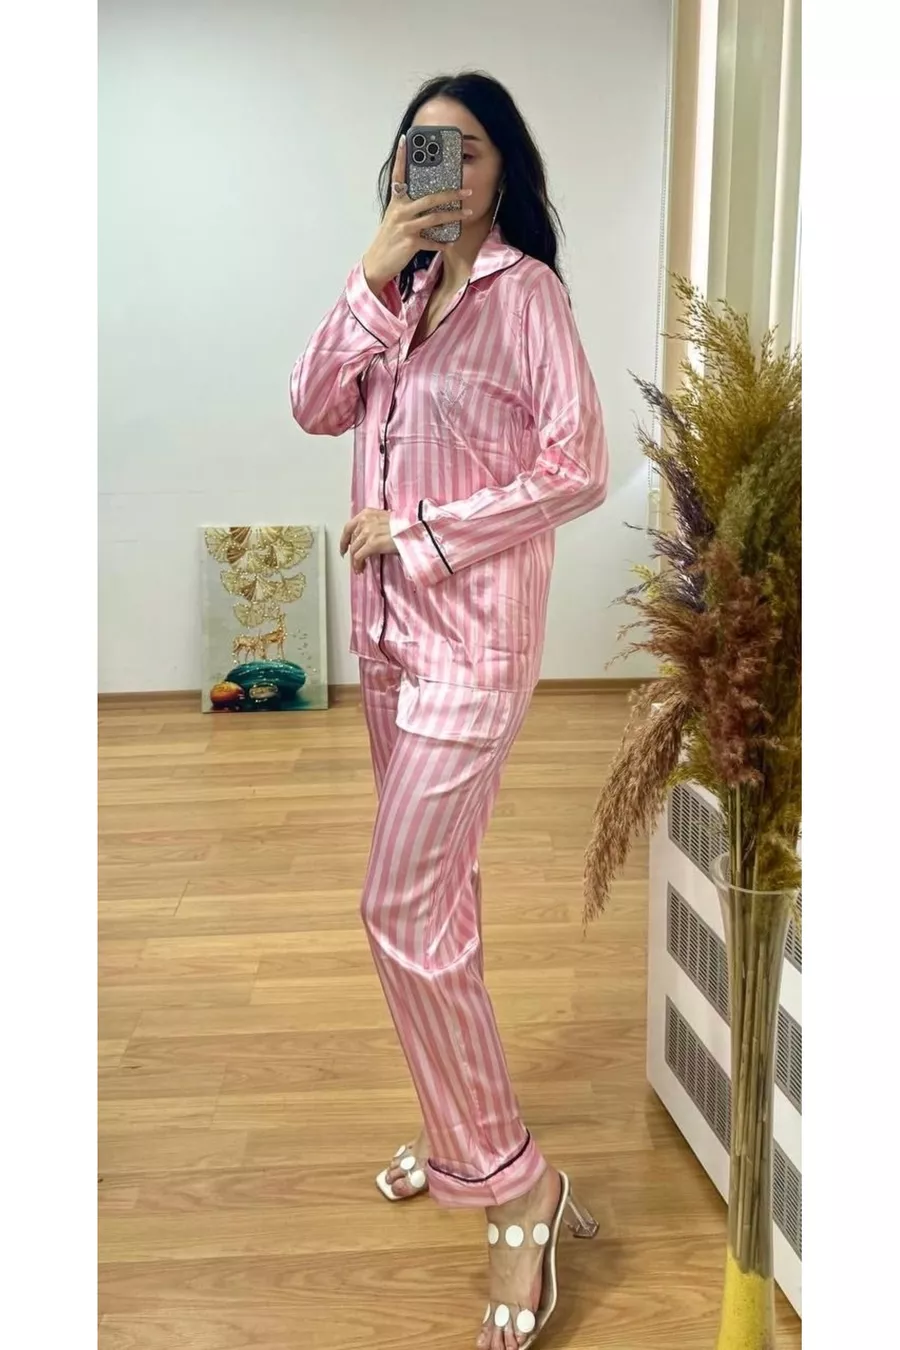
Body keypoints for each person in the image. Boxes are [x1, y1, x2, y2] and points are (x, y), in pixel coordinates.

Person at [291, 70, 609, 1350]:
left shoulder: (526, 297)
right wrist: (370, 277)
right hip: (384, 645)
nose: (441, 167)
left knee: (400, 908)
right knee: (443, 901)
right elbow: (313, 406)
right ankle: (457, 1123)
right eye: (420, 148)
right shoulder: (399, 292)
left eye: (465, 148)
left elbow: (577, 466)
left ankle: (516, 1187)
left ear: (503, 167)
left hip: (472, 645)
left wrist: (424, 531)